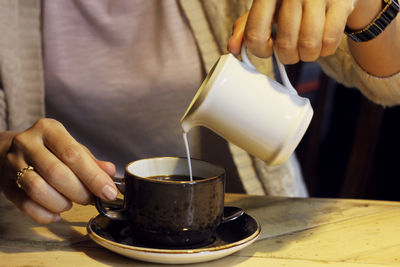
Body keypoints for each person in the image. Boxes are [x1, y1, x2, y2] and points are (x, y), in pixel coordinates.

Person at [0, 0, 399, 225]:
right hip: (74, 230)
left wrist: (365, 6)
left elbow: (391, 82)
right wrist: (4, 152)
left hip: (257, 230)